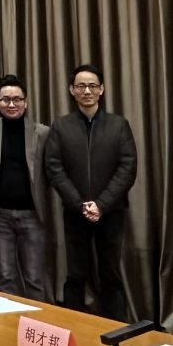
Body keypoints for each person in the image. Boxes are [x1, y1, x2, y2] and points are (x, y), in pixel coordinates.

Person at [45, 64, 137, 320]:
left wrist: (101, 204)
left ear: (102, 89)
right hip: (75, 212)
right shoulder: (61, 127)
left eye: (92, 85)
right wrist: (80, 204)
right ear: (71, 90)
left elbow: (127, 168)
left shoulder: (119, 125)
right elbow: (54, 168)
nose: (87, 91)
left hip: (111, 211)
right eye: (81, 86)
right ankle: (74, 324)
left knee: (110, 272)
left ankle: (116, 327)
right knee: (75, 273)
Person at [0, 75, 51, 300]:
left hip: (32, 214)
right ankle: (10, 326)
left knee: (35, 277)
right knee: (5, 276)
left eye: (17, 99)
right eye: (6, 100)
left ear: (26, 101)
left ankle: (37, 326)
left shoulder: (42, 132)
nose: (11, 105)